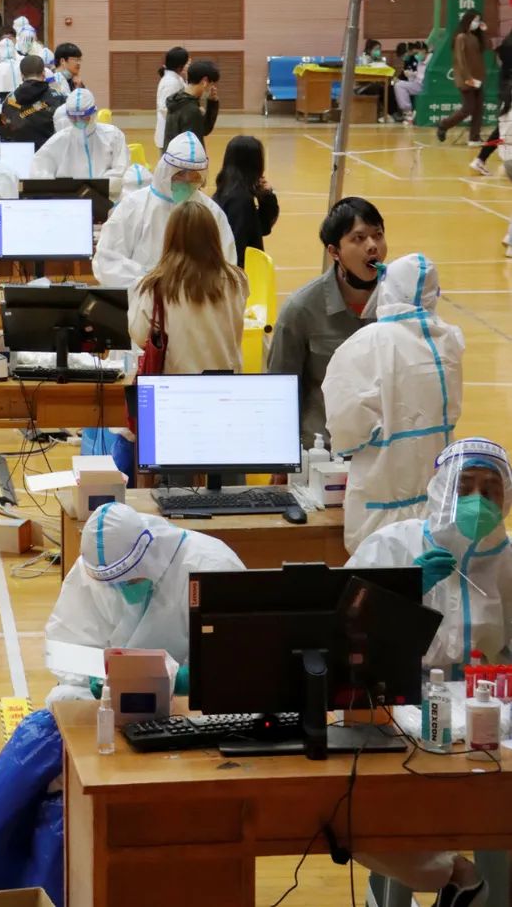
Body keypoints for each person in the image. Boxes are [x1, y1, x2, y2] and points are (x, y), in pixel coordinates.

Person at [349, 438, 512, 900]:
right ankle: (434, 881)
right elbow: (346, 626)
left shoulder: (507, 559)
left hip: (488, 704)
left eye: (490, 489)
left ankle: (488, 891)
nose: (477, 500)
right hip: (406, 698)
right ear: (440, 489)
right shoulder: (392, 544)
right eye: (465, 486)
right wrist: (406, 590)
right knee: (394, 803)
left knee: (498, 807)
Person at [323, 254, 464, 553]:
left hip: (379, 503)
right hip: (437, 499)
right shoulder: (449, 339)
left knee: (382, 572)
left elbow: (347, 433)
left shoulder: (366, 343)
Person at [45, 502, 244, 704]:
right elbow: (62, 646)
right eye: (111, 584)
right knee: (62, 699)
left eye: (127, 580)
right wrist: (95, 672)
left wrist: (183, 680)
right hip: (115, 691)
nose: (120, 588)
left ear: (149, 557)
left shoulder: (211, 565)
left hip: (190, 696)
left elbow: (237, 656)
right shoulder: (93, 569)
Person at [267, 196, 386, 447]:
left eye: (378, 235)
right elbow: (280, 391)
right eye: (359, 238)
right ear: (334, 252)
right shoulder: (301, 309)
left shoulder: (400, 301)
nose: (372, 246)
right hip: (324, 451)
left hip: (385, 450)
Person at [93, 132, 237, 286]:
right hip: (142, 297)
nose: (187, 180)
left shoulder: (212, 212)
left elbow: (226, 269)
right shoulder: (133, 207)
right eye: (180, 174)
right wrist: (149, 281)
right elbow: (106, 261)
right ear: (166, 170)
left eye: (194, 176)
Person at [129, 200, 248, 374]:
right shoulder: (236, 280)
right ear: (213, 235)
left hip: (177, 382)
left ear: (170, 237)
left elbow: (139, 335)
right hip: (226, 380)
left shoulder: (156, 285)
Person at [31, 87, 129, 180]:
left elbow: (121, 168)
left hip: (105, 191)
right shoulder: (59, 140)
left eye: (83, 117)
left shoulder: (113, 135)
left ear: (93, 112)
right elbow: (39, 169)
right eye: (73, 117)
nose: (78, 121)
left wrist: (102, 184)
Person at [212, 134, 279, 268]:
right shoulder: (240, 200)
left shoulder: (227, 190)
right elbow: (237, 248)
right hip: (239, 273)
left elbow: (261, 227)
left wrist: (266, 197)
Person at [436, 9, 489, 148]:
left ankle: (474, 137)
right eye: (475, 20)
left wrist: (484, 31)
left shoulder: (475, 37)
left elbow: (487, 47)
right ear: (467, 20)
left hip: (478, 78)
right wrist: (468, 78)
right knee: (468, 108)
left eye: (479, 20)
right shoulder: (461, 37)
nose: (477, 23)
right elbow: (460, 61)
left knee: (478, 109)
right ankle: (444, 124)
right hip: (467, 79)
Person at [470, 26, 512, 175]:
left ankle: (480, 159)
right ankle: (481, 159)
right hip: (509, 92)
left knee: (502, 129)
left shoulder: (504, 47)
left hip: (505, 92)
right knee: (503, 130)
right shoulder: (507, 49)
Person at [2, 55, 66, 149]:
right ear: (43, 73)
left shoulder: (9, 100)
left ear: (22, 75)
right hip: (49, 153)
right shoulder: (58, 97)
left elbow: (7, 129)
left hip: (18, 153)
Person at [163, 58, 220, 149]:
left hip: (171, 154)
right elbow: (193, 147)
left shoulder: (178, 99)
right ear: (204, 82)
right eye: (211, 84)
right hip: (184, 157)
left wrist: (212, 102)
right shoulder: (191, 109)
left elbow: (203, 129)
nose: (212, 88)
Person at [155, 46, 189, 150]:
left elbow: (188, 93)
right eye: (187, 62)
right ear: (180, 66)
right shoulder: (171, 82)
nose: (189, 65)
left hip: (174, 135)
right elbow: (164, 109)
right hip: (169, 137)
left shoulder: (177, 79)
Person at [394, 39, 428, 124]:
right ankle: (407, 113)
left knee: (399, 85)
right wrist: (411, 75)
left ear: (424, 51)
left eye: (417, 53)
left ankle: (408, 113)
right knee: (398, 84)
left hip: (425, 85)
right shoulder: (419, 61)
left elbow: (423, 76)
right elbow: (418, 75)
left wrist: (412, 75)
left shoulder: (429, 60)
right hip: (417, 83)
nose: (416, 55)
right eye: (416, 53)